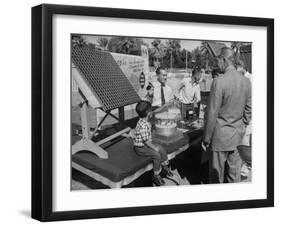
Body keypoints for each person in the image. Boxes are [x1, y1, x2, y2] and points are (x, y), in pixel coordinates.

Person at [202, 47, 252, 184]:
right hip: (237, 136)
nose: (217, 64)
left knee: (216, 177)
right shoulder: (246, 81)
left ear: (224, 60)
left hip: (219, 138)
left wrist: (206, 138)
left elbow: (212, 113)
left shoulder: (219, 81)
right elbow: (249, 110)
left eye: (218, 61)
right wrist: (242, 127)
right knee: (234, 177)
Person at [133, 100, 173, 186]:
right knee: (157, 155)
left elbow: (155, 111)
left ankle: (165, 166)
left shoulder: (145, 117)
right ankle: (156, 175)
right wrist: (154, 148)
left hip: (147, 143)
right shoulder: (143, 126)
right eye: (151, 110)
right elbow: (146, 142)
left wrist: (165, 106)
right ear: (148, 113)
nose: (152, 111)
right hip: (141, 148)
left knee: (161, 149)